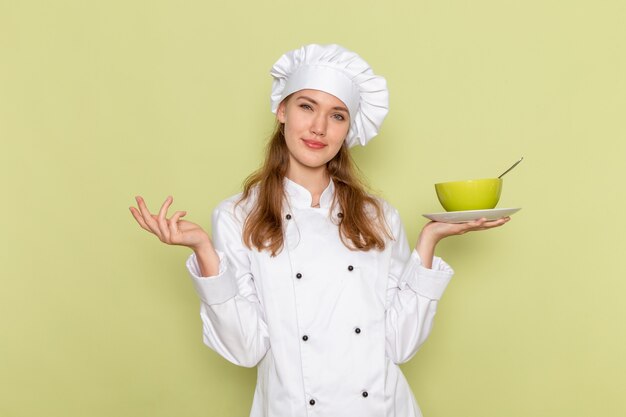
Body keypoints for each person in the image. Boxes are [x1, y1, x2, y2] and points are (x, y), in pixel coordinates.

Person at [129, 44, 509, 417]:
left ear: (349, 129)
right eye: (306, 107)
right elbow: (245, 350)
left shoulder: (378, 216)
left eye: (337, 115)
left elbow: (400, 345)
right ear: (281, 110)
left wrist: (429, 241)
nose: (319, 128)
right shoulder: (237, 215)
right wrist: (204, 252)